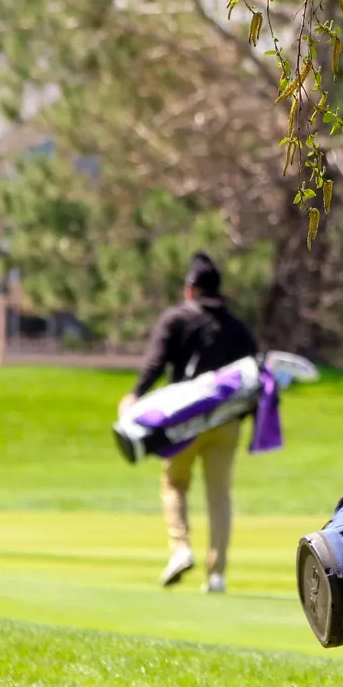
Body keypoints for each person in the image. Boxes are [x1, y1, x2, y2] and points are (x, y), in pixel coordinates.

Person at [122, 253, 258, 592]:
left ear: (190, 289)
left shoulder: (176, 319)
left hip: (183, 422)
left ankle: (181, 548)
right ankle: (217, 574)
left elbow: (155, 363)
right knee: (219, 496)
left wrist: (136, 395)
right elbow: (254, 375)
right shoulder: (237, 327)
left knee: (175, 484)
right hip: (227, 423)